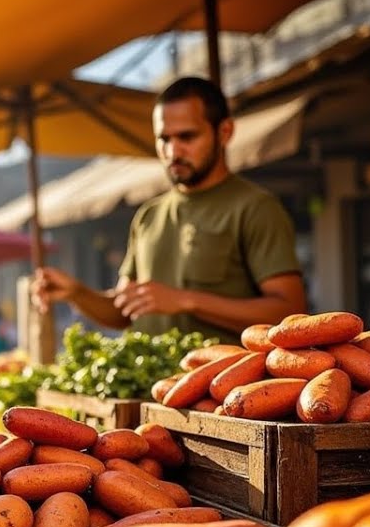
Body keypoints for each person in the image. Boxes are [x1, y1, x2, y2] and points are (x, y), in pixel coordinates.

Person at [32, 76, 307, 344]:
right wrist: (77, 293)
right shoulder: (148, 215)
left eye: (187, 136)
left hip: (223, 388)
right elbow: (123, 311)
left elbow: (289, 314)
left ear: (225, 132)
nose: (173, 151)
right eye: (164, 138)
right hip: (147, 386)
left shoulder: (256, 208)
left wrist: (186, 300)